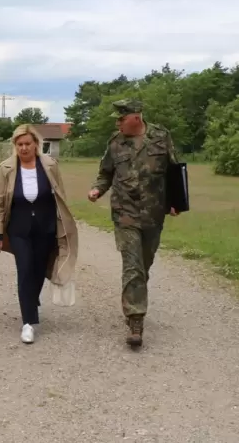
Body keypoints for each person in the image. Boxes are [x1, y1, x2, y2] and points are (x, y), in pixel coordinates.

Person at [88, 98, 179, 348]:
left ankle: (134, 297)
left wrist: (176, 201)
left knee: (144, 263)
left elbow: (174, 170)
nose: (118, 123)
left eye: (121, 118)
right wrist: (97, 190)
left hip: (154, 213)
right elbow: (105, 173)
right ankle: (135, 320)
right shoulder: (115, 143)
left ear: (136, 118)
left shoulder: (161, 137)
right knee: (133, 265)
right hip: (125, 212)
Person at [0, 124, 78, 344]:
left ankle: (30, 300)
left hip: (46, 227)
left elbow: (60, 197)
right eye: (19, 144)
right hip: (18, 228)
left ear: (36, 144)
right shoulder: (6, 168)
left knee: (38, 270)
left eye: (28, 143)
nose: (24, 148)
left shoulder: (50, 165)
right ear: (15, 146)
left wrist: (63, 228)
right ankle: (28, 321)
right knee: (25, 269)